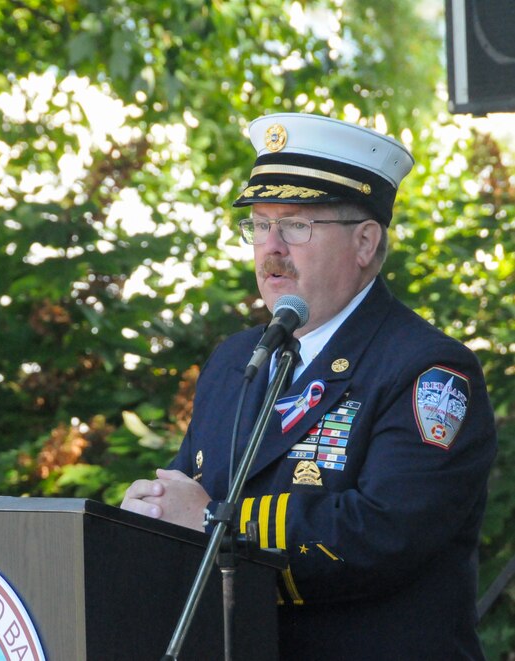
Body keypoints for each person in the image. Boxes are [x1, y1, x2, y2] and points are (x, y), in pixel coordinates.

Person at [122, 113, 497, 659]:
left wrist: (212, 523)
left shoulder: (428, 370)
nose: (270, 247)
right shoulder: (235, 361)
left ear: (365, 242)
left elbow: (383, 533)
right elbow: (186, 495)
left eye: (296, 225)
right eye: (259, 225)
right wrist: (147, 514)